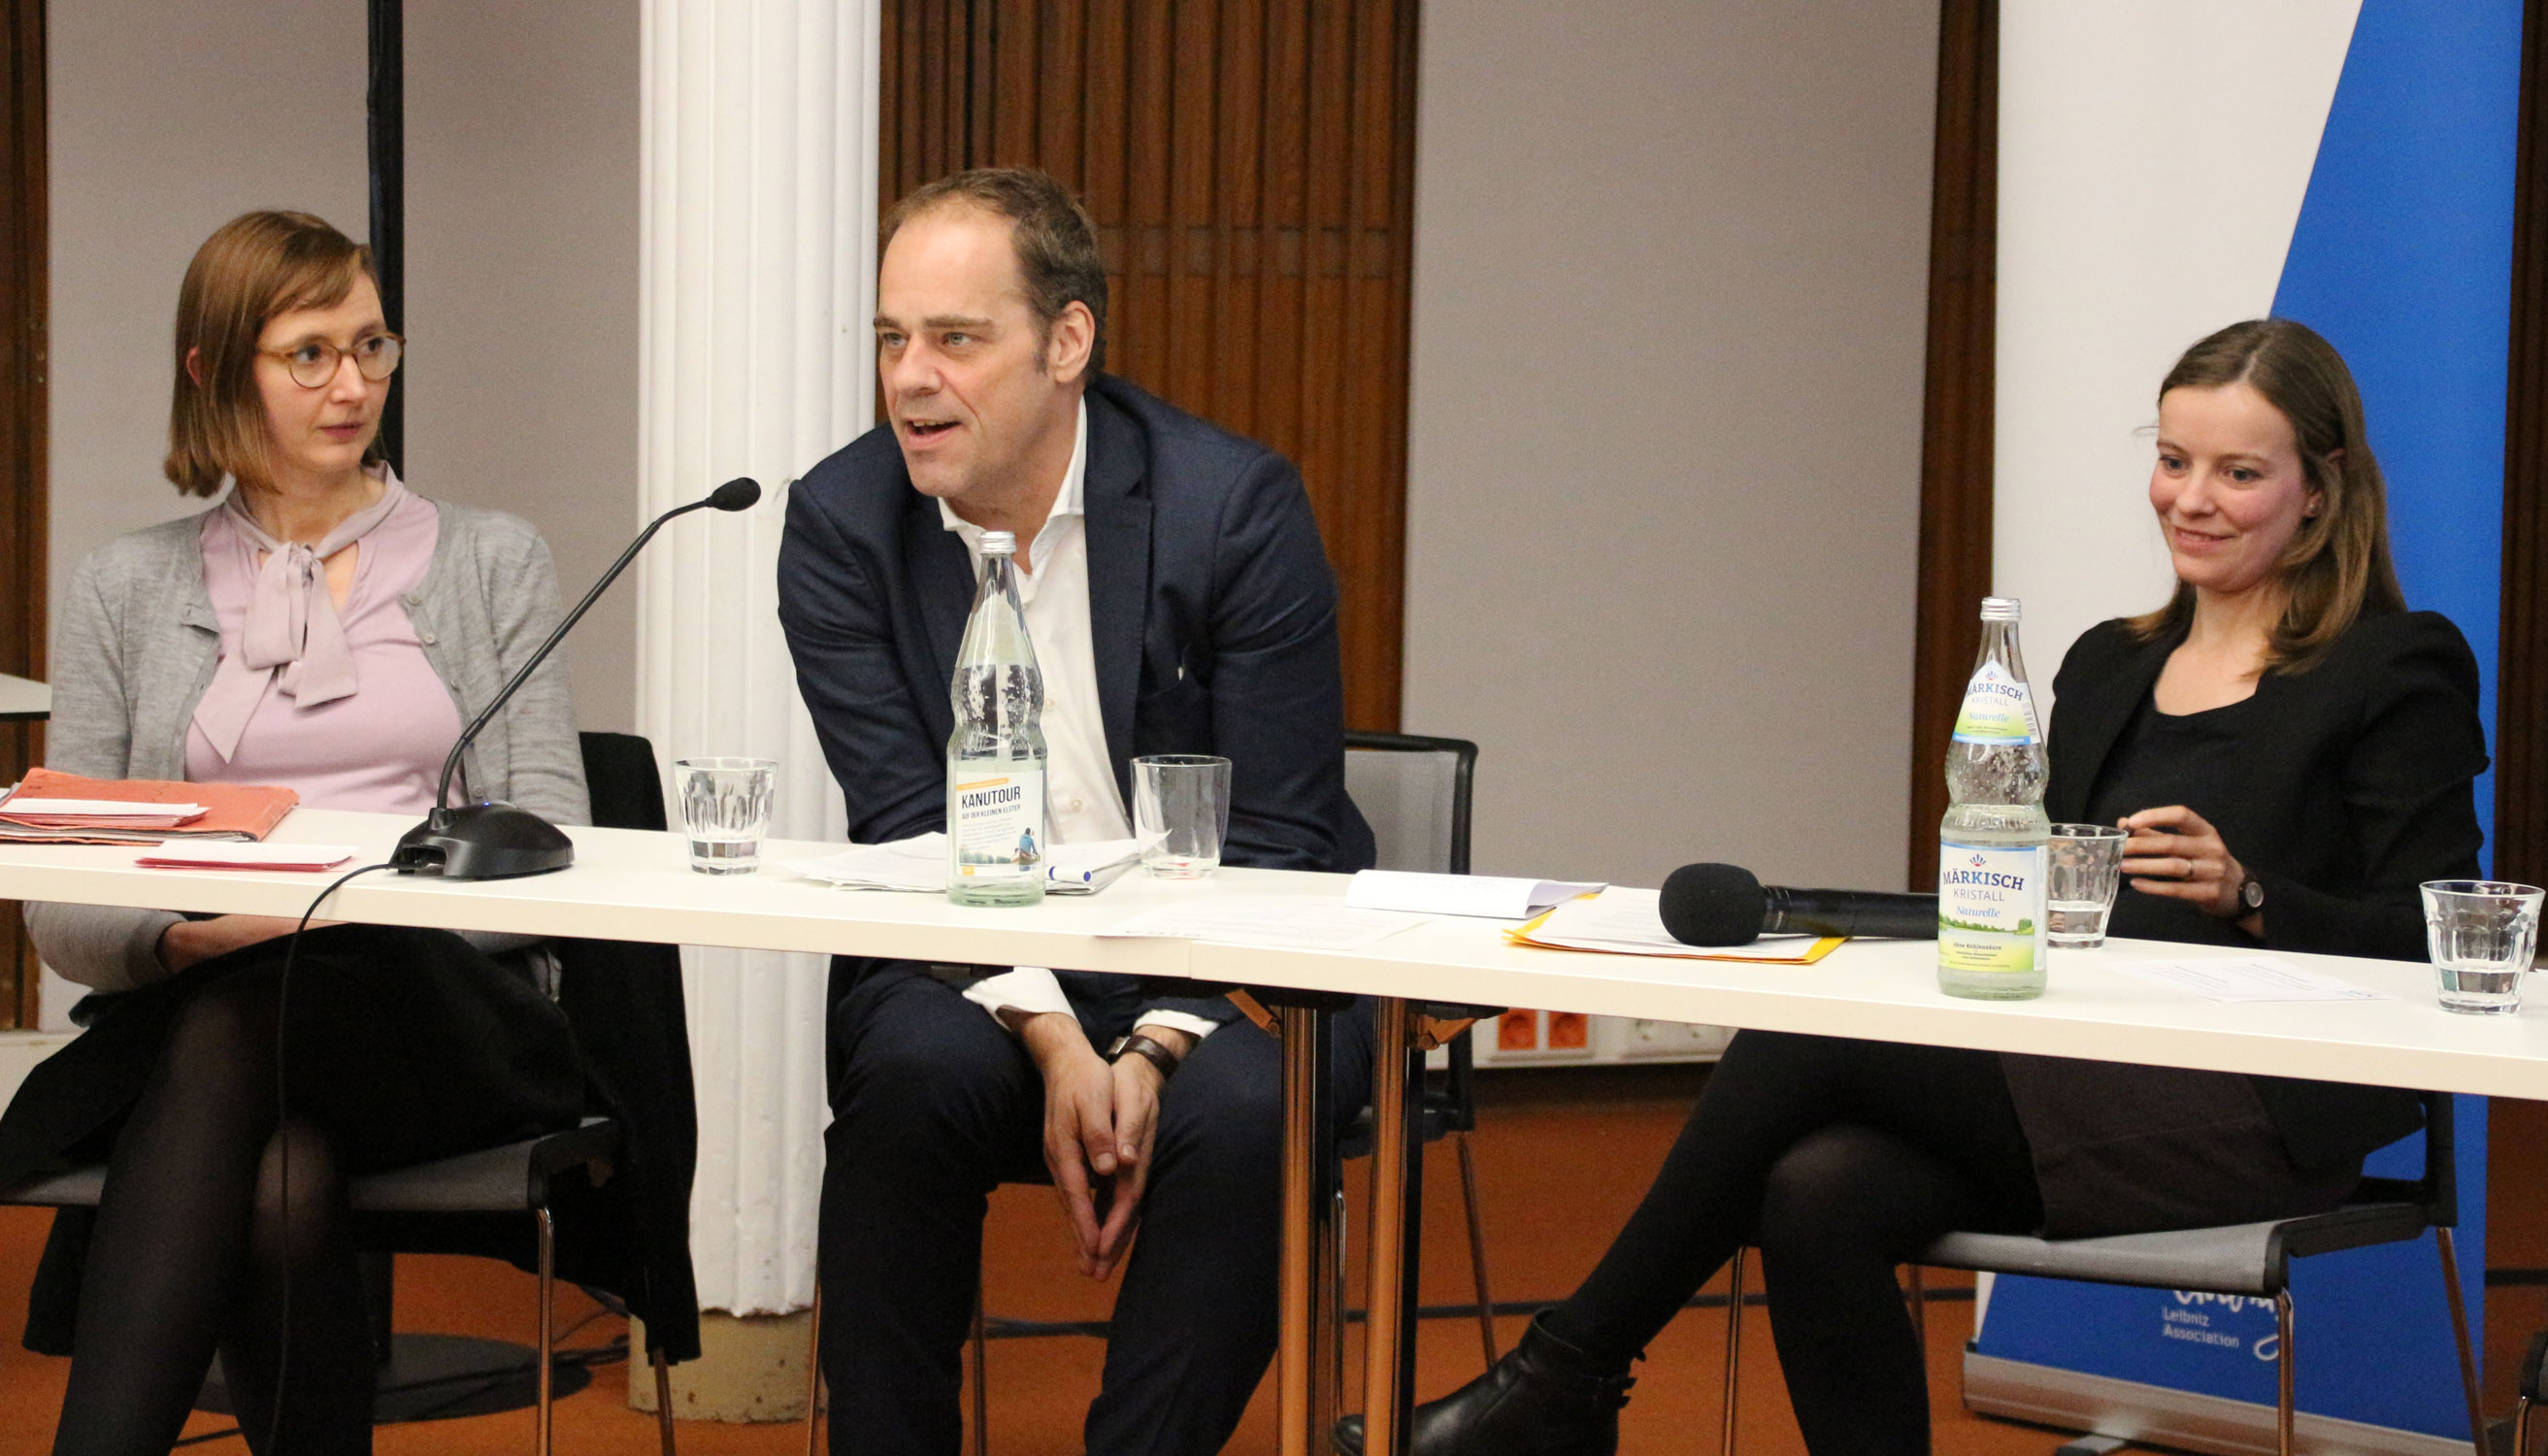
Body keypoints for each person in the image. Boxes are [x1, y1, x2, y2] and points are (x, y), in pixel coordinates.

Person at [1340, 316, 2484, 1456]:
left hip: (2255, 1103)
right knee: (1817, 1188)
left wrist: (2252, 895)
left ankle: (1566, 1378)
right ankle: (1564, 1388)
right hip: (2083, 1058)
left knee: (1804, 1035)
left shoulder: (2395, 667)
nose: (2191, 498)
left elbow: (2439, 938)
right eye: (2174, 460)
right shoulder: (2107, 663)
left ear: (2322, 491)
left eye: (2240, 473)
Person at [776, 167, 1376, 1456]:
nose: (911, 379)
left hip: (1226, 949)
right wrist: (1056, 1043)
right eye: (892, 339)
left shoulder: (1230, 510)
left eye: (955, 338)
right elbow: (901, 825)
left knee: (1243, 1115)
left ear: (1066, 342)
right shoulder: (843, 524)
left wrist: (1153, 1047)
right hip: (971, 950)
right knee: (910, 1076)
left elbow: (1278, 843)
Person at [0, 210, 590, 1456]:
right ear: (216, 369)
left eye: (371, 347)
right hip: (208, 1002)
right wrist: (188, 940)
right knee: (280, 1177)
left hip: (444, 1016)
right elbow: (61, 901)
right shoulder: (126, 586)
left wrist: (354, 907)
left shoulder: (492, 560)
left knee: (245, 1030)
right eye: (308, 354)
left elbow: (554, 851)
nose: (353, 385)